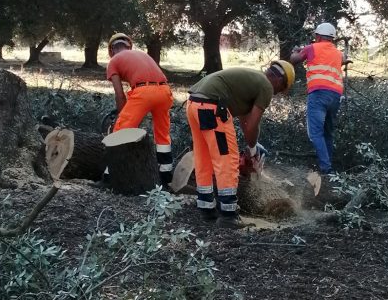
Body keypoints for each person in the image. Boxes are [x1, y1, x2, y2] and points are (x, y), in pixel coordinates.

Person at [187, 61, 295, 224]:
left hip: (194, 103)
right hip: (213, 106)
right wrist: (251, 150)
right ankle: (228, 214)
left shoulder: (251, 81)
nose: (276, 94)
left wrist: (253, 146)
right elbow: (252, 126)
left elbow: (246, 123)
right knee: (227, 159)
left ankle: (206, 208)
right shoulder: (266, 86)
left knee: (204, 157)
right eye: (280, 90)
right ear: (280, 81)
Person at [106, 32, 174, 187]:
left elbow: (119, 95)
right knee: (162, 134)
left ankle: (109, 176)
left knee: (120, 133)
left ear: (111, 50)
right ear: (130, 46)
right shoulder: (141, 54)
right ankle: (165, 177)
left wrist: (121, 115)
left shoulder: (114, 61)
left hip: (143, 92)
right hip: (164, 91)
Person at [290, 22, 346, 175]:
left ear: (318, 36)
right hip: (335, 96)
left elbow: (294, 60)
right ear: (332, 38)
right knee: (328, 132)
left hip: (319, 94)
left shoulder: (311, 48)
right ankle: (330, 170)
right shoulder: (338, 53)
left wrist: (295, 51)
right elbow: (342, 59)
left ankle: (326, 170)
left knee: (315, 133)